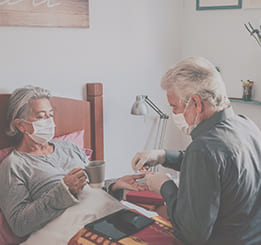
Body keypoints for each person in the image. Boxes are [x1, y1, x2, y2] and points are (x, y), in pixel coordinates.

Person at [132, 57, 261, 245]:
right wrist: (163, 155)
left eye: (175, 106)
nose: (175, 113)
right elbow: (216, 168)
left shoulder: (203, 150)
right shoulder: (246, 124)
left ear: (196, 103)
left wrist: (164, 186)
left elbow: (192, 234)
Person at [0, 85, 147, 237]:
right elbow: (19, 225)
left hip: (108, 217)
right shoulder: (13, 166)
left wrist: (114, 186)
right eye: (41, 116)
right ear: (20, 125)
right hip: (75, 229)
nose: (49, 122)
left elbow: (91, 191)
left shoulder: (69, 147)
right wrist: (64, 191)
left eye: (51, 115)